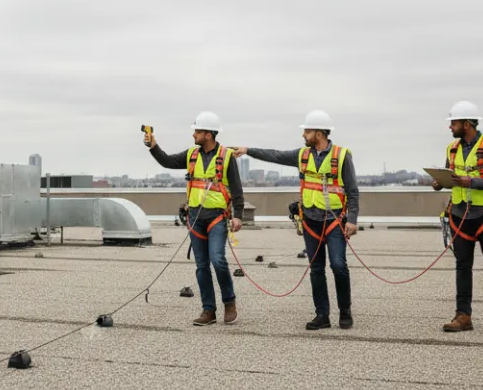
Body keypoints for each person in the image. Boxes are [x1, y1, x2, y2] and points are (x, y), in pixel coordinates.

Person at [232, 109, 359, 330]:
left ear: (319, 133)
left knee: (338, 265)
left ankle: (345, 312)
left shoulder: (341, 155)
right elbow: (276, 155)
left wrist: (353, 219)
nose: (303, 135)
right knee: (316, 268)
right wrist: (248, 150)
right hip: (310, 220)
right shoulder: (303, 155)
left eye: (307, 131)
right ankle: (322, 315)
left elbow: (353, 190)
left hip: (334, 221)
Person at [145, 111, 244, 325]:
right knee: (201, 266)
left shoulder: (226, 157)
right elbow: (167, 161)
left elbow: (236, 189)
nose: (194, 135)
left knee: (217, 260)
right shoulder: (192, 155)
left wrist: (238, 216)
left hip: (217, 217)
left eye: (197, 131)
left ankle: (229, 303)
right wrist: (153, 146)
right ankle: (208, 310)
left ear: (208, 134)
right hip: (196, 218)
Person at [433, 100, 483, 332]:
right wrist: (440, 183)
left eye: (454, 123)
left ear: (467, 124)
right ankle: (463, 315)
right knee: (462, 265)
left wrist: (472, 182)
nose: (450, 127)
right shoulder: (452, 149)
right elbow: (451, 176)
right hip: (459, 216)